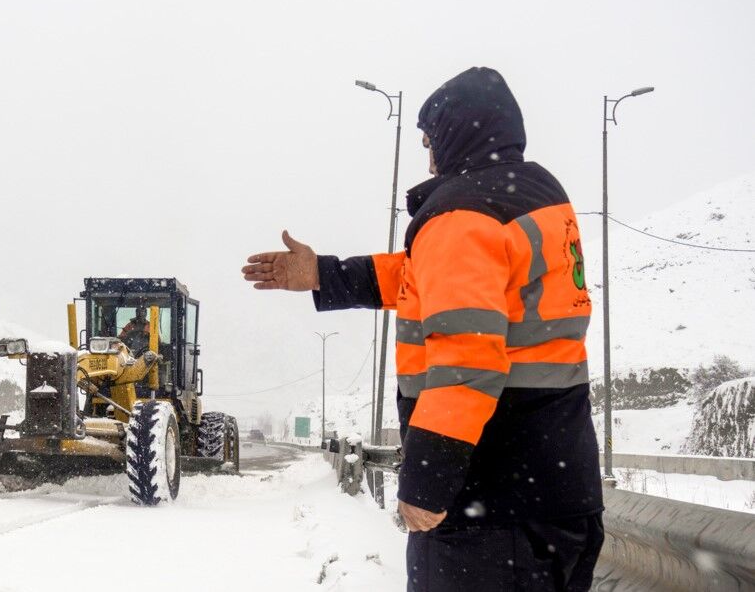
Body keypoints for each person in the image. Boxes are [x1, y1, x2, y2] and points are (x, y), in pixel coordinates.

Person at [241, 67, 603, 591]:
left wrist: (427, 483)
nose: (429, 158)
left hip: (491, 507)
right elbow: (426, 278)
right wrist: (325, 274)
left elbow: (466, 361)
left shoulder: (462, 216)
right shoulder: (538, 199)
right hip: (560, 491)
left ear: (458, 135)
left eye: (430, 142)